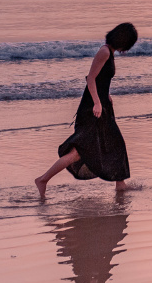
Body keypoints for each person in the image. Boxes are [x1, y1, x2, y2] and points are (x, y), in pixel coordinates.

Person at [36, 22, 138, 199]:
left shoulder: (110, 53)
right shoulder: (104, 52)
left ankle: (120, 185)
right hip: (92, 110)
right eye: (128, 44)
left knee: (117, 144)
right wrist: (97, 103)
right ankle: (43, 180)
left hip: (102, 107)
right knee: (78, 152)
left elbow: (101, 81)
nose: (126, 49)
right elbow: (90, 79)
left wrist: (106, 96)